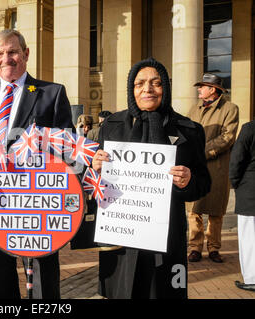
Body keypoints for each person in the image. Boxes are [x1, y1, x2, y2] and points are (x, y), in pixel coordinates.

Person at [0, 29, 74, 299]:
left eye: (13, 51)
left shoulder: (51, 93)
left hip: (38, 206)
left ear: (26, 54)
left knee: (42, 282)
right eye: (0, 53)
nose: (7, 58)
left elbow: (68, 148)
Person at [92, 58, 211, 299]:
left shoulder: (188, 129)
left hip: (166, 238)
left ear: (165, 88)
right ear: (131, 89)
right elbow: (92, 184)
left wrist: (187, 181)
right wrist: (95, 168)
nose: (147, 89)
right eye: (140, 84)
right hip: (121, 235)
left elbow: (203, 184)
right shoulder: (111, 126)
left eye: (156, 83)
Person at [186, 73, 239, 263]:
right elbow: (186, 133)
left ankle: (214, 248)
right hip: (195, 167)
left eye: (202, 86)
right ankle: (195, 248)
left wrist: (202, 152)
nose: (199, 89)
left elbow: (227, 137)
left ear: (213, 90)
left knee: (216, 212)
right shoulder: (194, 109)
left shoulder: (230, 108)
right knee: (193, 210)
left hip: (216, 168)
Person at [229, 120, 255, 292]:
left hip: (250, 190)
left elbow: (237, 159)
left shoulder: (249, 128)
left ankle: (252, 278)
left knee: (249, 237)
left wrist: (235, 182)